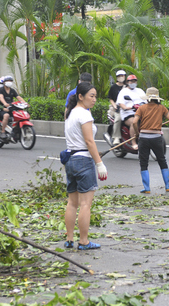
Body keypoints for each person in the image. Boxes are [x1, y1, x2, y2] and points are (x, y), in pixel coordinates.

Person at [63, 82, 108, 251]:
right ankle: (83, 241)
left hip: (71, 159)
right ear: (80, 97)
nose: (95, 99)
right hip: (84, 160)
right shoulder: (84, 115)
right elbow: (89, 142)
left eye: (95, 96)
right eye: (92, 96)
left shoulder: (70, 113)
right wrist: (99, 163)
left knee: (72, 203)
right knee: (85, 205)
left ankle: (69, 239)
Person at [132, 88, 169, 194]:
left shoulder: (142, 108)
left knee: (143, 163)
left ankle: (147, 188)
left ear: (148, 98)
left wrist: (137, 133)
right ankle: (167, 186)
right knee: (162, 160)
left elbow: (134, 122)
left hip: (143, 138)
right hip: (157, 138)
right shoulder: (162, 108)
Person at [115, 74, 144, 150]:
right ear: (127, 82)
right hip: (128, 113)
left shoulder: (140, 91)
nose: (133, 83)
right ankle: (133, 142)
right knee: (134, 122)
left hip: (140, 112)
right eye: (131, 81)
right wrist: (129, 107)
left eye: (134, 81)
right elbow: (121, 104)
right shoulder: (123, 91)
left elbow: (146, 100)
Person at [0, 75, 26, 140]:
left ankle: (16, 130)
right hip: (2, 108)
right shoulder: (1, 90)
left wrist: (24, 103)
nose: (9, 82)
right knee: (6, 115)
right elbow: (1, 97)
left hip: (11, 107)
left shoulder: (12, 90)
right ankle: (3, 131)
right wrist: (5, 103)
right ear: (4, 82)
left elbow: (18, 97)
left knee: (19, 114)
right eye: (8, 81)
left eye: (10, 81)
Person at [107, 70, 126, 145]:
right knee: (118, 119)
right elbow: (110, 98)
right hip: (117, 108)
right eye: (119, 76)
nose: (121, 77)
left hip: (126, 107)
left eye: (123, 75)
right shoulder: (113, 87)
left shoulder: (127, 87)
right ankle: (116, 137)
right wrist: (115, 105)